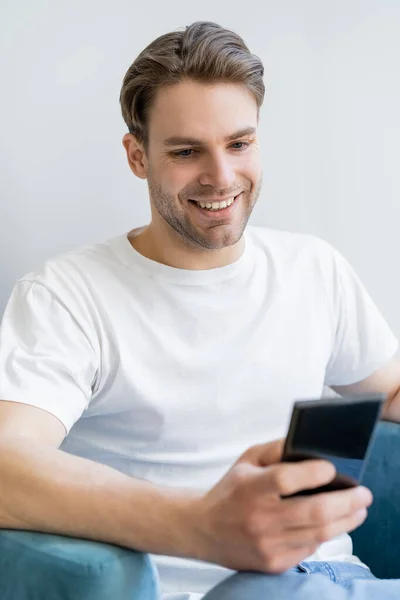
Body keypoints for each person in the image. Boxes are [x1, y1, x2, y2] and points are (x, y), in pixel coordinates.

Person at [0, 20, 399, 600]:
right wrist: (203, 527)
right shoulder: (69, 294)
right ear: (137, 156)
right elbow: (6, 463)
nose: (221, 176)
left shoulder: (314, 268)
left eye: (239, 144)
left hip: (339, 576)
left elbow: (389, 391)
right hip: (207, 587)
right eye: (187, 151)